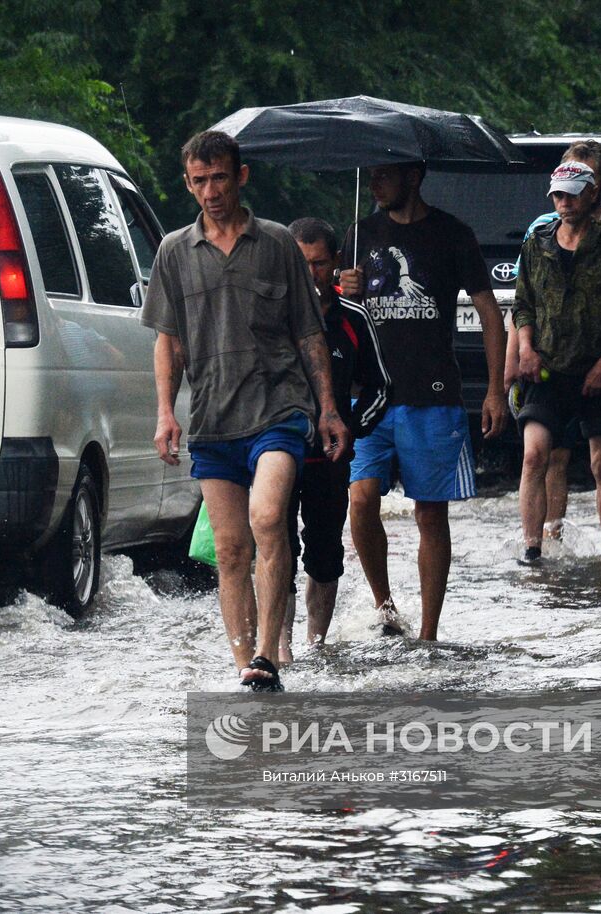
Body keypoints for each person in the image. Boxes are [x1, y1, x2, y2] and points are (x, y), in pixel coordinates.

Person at [142, 130, 350, 692]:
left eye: (219, 178)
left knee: (267, 519)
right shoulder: (174, 252)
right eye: (199, 181)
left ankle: (268, 654)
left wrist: (327, 408)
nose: (211, 191)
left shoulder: (278, 243)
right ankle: (244, 668)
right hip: (213, 418)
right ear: (188, 184)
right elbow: (167, 340)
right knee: (230, 548)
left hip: (279, 409)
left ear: (241, 177)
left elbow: (309, 333)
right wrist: (165, 412)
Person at [338, 161, 507, 641]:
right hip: (369, 397)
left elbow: (490, 314)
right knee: (361, 497)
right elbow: (328, 309)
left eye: (384, 174)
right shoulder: (359, 232)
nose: (374, 181)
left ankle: (429, 632)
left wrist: (495, 390)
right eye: (373, 175)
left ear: (414, 176)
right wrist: (338, 286)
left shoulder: (452, 234)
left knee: (430, 512)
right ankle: (385, 606)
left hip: (434, 395)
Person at [504, 141, 601, 543]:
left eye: (574, 191)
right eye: (558, 193)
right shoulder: (538, 237)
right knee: (538, 455)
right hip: (546, 367)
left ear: (597, 188)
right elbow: (522, 303)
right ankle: (536, 548)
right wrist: (518, 355)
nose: (565, 201)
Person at [278, 217, 390, 661]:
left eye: (319, 264)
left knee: (324, 553)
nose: (310, 275)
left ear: (336, 264)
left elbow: (381, 386)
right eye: (301, 264)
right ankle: (280, 646)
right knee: (276, 547)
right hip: (277, 453)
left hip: (331, 459)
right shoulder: (271, 316)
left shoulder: (353, 319)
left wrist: (352, 426)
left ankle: (317, 645)